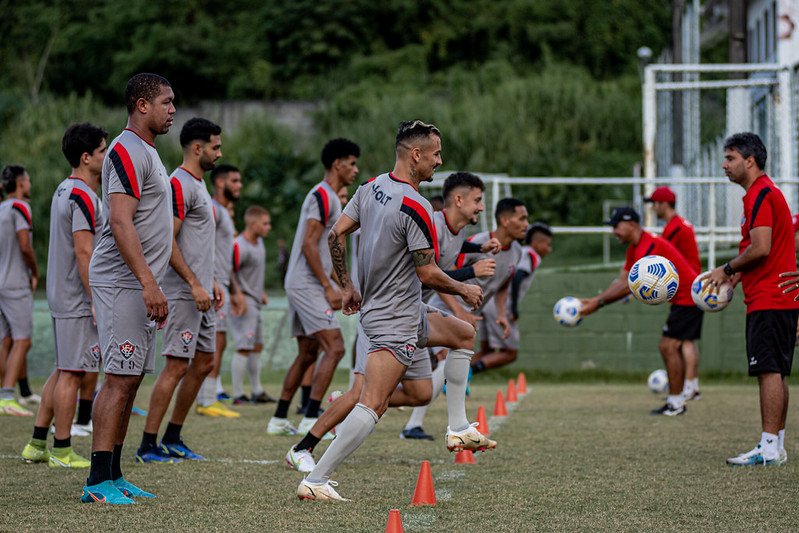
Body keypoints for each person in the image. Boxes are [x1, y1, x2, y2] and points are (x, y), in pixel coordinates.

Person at [296, 120, 486, 501]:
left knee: (463, 335)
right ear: (416, 155)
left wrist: (347, 285)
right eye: (435, 155)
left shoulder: (371, 187)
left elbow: (336, 234)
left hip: (405, 309)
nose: (439, 161)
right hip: (393, 319)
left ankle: (458, 427)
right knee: (373, 403)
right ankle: (315, 479)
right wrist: (464, 286)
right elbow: (427, 272)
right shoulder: (417, 206)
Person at [83, 72, 175, 504]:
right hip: (122, 282)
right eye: (166, 102)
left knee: (131, 379)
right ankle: (96, 481)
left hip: (138, 284)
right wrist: (148, 283)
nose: (173, 110)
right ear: (142, 105)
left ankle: (115, 474)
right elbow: (120, 221)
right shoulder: (125, 149)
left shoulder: (148, 152)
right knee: (118, 380)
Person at [135, 118, 224, 463]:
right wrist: (194, 283)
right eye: (215, 147)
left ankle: (173, 437)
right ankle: (148, 445)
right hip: (184, 294)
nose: (219, 153)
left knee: (204, 363)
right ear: (197, 148)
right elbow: (166, 240)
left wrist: (209, 280)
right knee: (176, 365)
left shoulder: (198, 184)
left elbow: (195, 242)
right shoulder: (178, 184)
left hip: (201, 293)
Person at [706, 132, 798, 466]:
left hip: (770, 298)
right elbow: (761, 251)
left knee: (768, 371)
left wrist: (726, 268)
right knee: (777, 372)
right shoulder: (765, 193)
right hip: (778, 296)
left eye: (730, 158)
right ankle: (777, 444)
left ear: (750, 161)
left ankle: (769, 447)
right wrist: (736, 277)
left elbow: (760, 248)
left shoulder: (760, 194)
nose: (724, 165)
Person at [401, 198, 527, 437]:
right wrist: (459, 311)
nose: (526, 224)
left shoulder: (517, 252)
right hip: (444, 307)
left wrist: (501, 314)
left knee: (434, 368)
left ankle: (409, 418)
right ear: (505, 220)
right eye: (522, 218)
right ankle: (415, 424)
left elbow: (502, 285)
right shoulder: (478, 243)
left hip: (466, 316)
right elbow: (440, 275)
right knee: (442, 365)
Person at [20, 123, 107, 467]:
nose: (107, 157)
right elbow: (84, 252)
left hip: (62, 294)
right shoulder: (83, 195)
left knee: (62, 370)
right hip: (76, 298)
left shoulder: (63, 189)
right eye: (102, 151)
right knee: (72, 373)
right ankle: (61, 449)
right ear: (86, 157)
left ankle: (37, 443)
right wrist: (95, 299)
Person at [268, 139, 360, 436]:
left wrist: (342, 285)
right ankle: (310, 417)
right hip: (305, 284)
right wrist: (326, 286)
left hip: (304, 283)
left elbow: (323, 251)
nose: (355, 170)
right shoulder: (322, 195)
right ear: (337, 164)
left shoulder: (331, 198)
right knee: (335, 347)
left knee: (308, 352)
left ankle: (279, 419)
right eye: (352, 163)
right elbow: (309, 244)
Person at [580, 207, 699, 416]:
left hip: (689, 298)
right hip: (683, 300)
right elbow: (623, 280)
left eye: (616, 226)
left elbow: (629, 285)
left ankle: (676, 403)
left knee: (668, 346)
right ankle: (677, 400)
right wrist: (596, 300)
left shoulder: (648, 245)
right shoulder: (634, 248)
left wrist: (597, 303)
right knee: (671, 347)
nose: (614, 232)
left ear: (631, 224)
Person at [471, 222, 553, 372]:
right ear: (537, 243)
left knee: (487, 350)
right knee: (510, 353)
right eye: (547, 244)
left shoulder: (519, 252)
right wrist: (514, 308)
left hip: (487, 304)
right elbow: (517, 276)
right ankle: (467, 373)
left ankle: (452, 374)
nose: (549, 249)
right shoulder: (530, 254)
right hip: (500, 307)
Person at [645, 186, 703, 401]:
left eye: (655, 203)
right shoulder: (681, 224)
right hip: (694, 290)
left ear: (663, 204)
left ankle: (687, 387)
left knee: (677, 343)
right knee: (688, 340)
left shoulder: (674, 228)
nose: (653, 208)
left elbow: (664, 261)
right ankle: (691, 386)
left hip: (687, 292)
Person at [196, 163, 243, 414]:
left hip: (222, 283)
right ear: (220, 182)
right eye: (234, 181)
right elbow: (202, 244)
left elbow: (226, 256)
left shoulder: (224, 212)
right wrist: (211, 280)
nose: (239, 186)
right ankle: (206, 399)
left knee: (219, 340)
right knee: (215, 340)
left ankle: (210, 394)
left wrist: (235, 290)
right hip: (212, 283)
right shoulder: (213, 209)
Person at [0, 165, 39, 416]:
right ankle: (7, 398)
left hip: (1, 283)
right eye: (28, 180)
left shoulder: (1, 208)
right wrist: (35, 272)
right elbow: (25, 246)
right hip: (15, 283)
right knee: (23, 340)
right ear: (21, 183)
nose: (30, 185)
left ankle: (5, 396)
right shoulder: (20, 207)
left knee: (5, 340)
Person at [230, 205, 273, 404]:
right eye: (265, 223)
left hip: (255, 300)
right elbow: (229, 271)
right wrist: (237, 295)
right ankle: (238, 394)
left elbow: (252, 272)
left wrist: (260, 291)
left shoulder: (260, 243)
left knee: (257, 345)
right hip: (244, 301)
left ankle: (257, 390)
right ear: (253, 224)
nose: (268, 227)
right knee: (244, 346)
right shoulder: (239, 245)